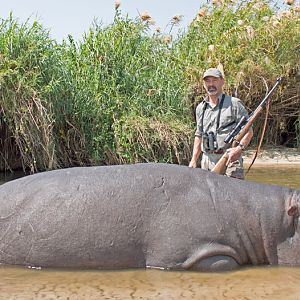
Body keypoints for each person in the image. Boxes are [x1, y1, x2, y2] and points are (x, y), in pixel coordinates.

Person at [188, 68, 253, 179]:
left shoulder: (234, 104)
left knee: (232, 194)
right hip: (207, 161)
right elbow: (198, 135)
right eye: (208, 81)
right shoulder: (200, 108)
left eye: (215, 80)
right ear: (204, 84)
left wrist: (239, 149)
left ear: (222, 82)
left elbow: (248, 131)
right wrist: (194, 160)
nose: (211, 84)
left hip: (230, 159)